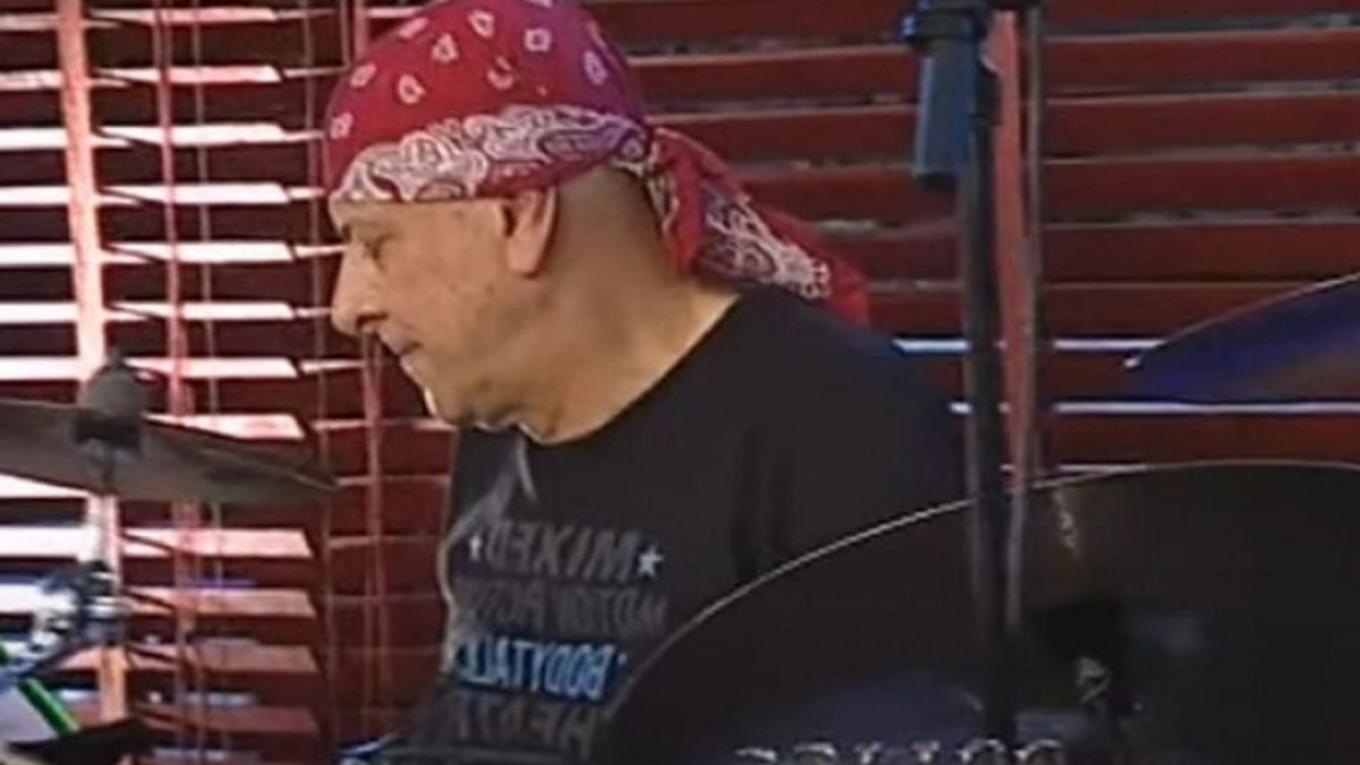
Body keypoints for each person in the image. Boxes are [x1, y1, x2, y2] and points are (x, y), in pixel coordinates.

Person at [322, 0, 965, 762]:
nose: (347, 307)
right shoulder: (498, 411)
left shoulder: (841, 426)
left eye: (375, 243)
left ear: (520, 217)